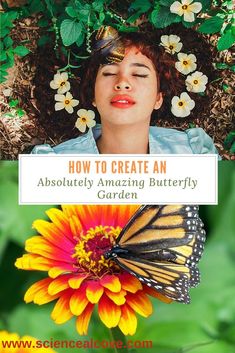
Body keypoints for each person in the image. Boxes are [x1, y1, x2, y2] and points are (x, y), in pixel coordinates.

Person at [31, 27, 219, 156]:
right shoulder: (53, 166)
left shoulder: (193, 154)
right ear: (93, 96)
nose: (122, 83)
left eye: (139, 74)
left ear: (158, 98)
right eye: (110, 72)